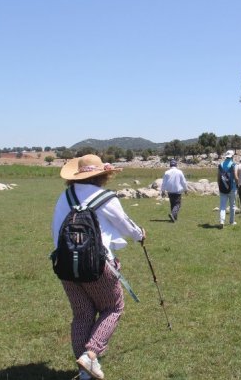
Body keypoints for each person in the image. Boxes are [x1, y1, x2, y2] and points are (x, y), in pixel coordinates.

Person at [51, 154, 146, 380]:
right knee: (113, 307)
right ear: (102, 175)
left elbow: (56, 231)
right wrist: (140, 234)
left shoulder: (65, 197)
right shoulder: (106, 198)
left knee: (82, 314)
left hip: (65, 266)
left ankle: (85, 373)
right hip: (98, 265)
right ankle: (91, 354)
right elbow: (126, 226)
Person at [160, 158, 188, 222]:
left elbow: (164, 182)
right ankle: (173, 214)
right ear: (176, 165)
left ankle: (174, 218)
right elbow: (183, 182)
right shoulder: (179, 172)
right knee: (178, 204)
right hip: (177, 191)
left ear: (170, 165)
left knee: (172, 204)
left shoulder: (167, 172)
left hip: (170, 191)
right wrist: (186, 189)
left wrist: (163, 191)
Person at [217, 150, 239, 229]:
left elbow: (218, 178)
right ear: (232, 156)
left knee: (222, 206)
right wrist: (237, 184)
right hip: (232, 188)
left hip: (222, 188)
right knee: (232, 205)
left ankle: (222, 221)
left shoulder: (220, 165)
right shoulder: (233, 165)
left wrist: (219, 187)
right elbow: (236, 177)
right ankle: (232, 221)